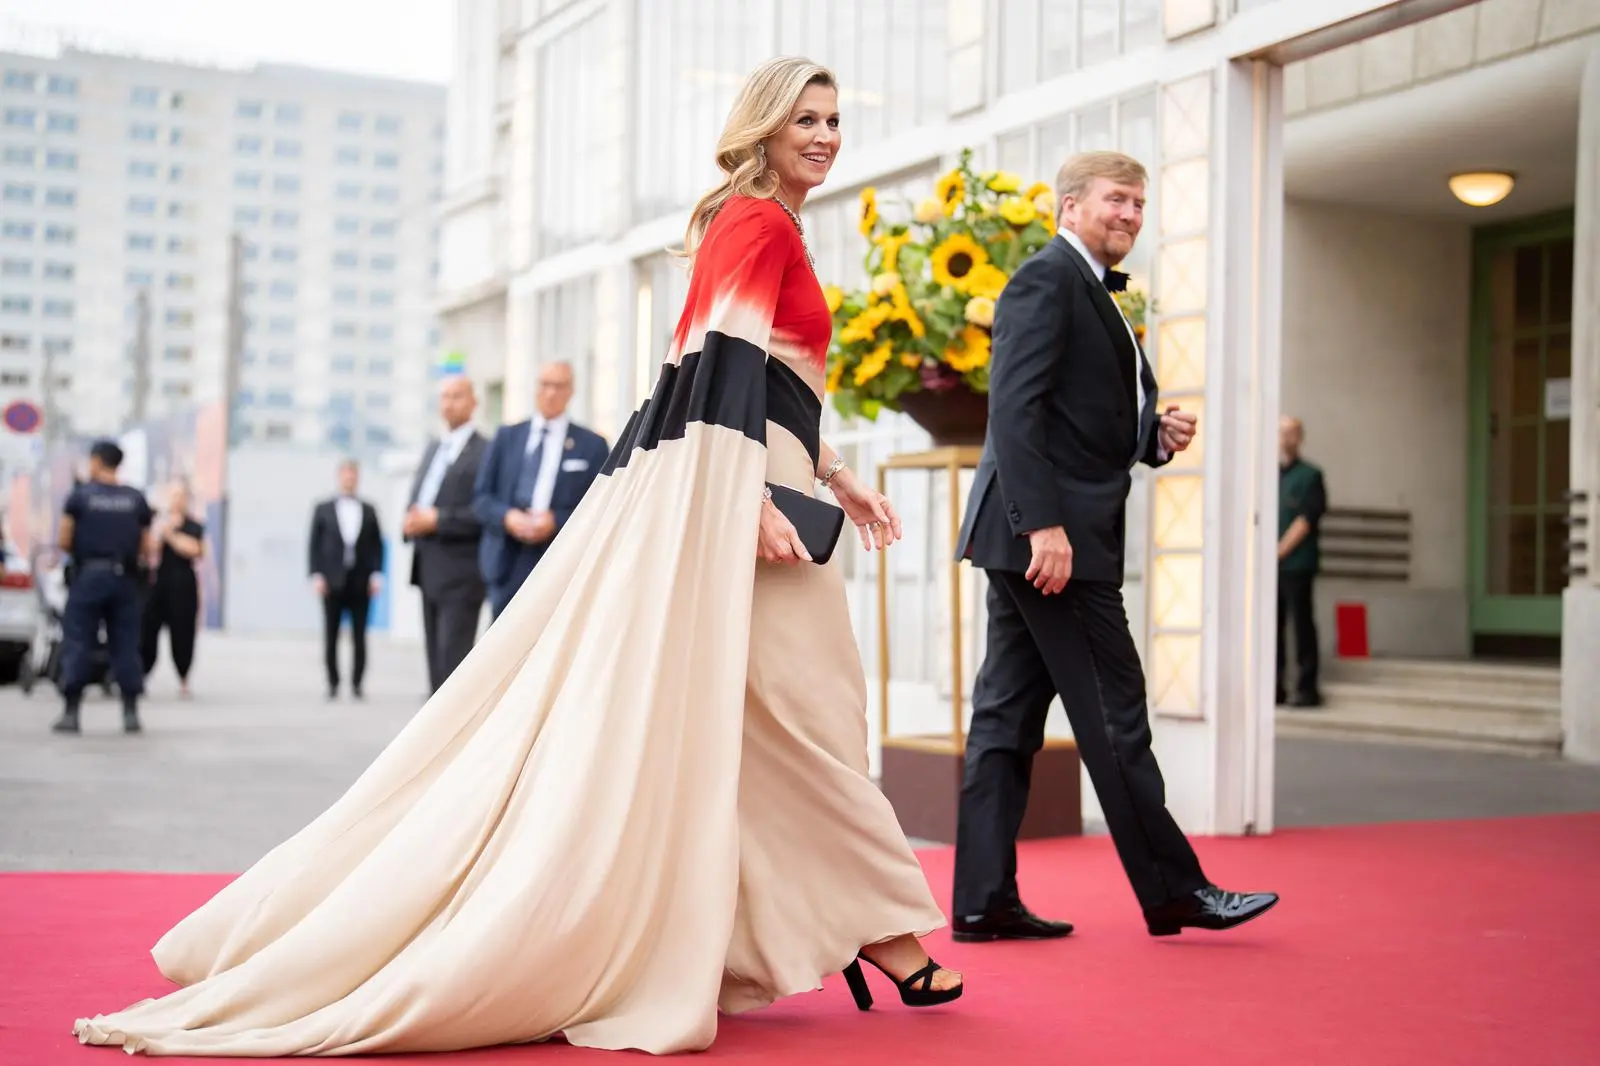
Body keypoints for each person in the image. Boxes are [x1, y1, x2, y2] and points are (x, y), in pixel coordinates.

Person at [73, 57, 960, 1058]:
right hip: (738, 495)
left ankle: (786, 928)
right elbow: (717, 370)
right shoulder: (755, 222)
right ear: (760, 127)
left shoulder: (763, 225)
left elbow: (763, 381)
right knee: (806, 712)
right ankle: (881, 929)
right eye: (806, 118)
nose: (826, 134)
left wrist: (834, 474)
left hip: (754, 480)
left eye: (834, 119)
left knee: (768, 718)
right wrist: (752, 492)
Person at [950, 150, 1279, 942]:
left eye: (1139, 204)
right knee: (1115, 713)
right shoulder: (1046, 279)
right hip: (1050, 543)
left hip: (1039, 533)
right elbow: (1016, 413)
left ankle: (980, 900)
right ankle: (1173, 890)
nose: (1131, 215)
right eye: (1116, 201)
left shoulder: (1096, 289)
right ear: (1070, 207)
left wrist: (1149, 436)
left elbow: (1070, 417)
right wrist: (1044, 527)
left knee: (1005, 719)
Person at [472, 361, 608, 619]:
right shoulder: (507, 437)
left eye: (559, 386)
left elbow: (600, 507)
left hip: (558, 560)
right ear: (535, 388)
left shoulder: (591, 445)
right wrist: (508, 517)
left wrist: (555, 520)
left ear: (571, 392)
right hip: (507, 561)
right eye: (545, 385)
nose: (550, 393)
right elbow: (482, 498)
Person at [51, 439, 153, 735]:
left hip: (89, 577)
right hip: (125, 579)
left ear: (96, 461)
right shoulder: (135, 499)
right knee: (126, 645)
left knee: (79, 641)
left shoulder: (80, 497)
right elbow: (146, 546)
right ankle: (130, 713)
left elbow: (64, 540)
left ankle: (71, 713)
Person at [403, 376, 489, 693]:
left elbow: (483, 510)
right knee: (435, 664)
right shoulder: (433, 448)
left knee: (453, 664)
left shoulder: (485, 452)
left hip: (462, 573)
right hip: (427, 569)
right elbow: (420, 495)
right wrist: (409, 519)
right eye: (444, 397)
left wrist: (438, 519)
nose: (449, 403)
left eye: (456, 396)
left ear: (473, 402)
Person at [306, 459, 384, 700]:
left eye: (353, 475)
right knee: (331, 635)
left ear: (357, 478)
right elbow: (314, 544)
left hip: (360, 581)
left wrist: (377, 574)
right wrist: (316, 574)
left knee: (360, 636)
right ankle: (332, 682)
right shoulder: (323, 508)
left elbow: (377, 545)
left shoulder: (369, 509)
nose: (349, 479)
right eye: (345, 475)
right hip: (332, 581)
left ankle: (357, 683)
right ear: (339, 477)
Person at [1277, 414, 1327, 707]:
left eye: (1292, 432)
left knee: (1302, 626)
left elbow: (1307, 518)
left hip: (1298, 565)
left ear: (1300, 437)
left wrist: (1279, 550)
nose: (1286, 438)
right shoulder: (1269, 476)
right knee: (1272, 628)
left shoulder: (1311, 476)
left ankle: (1307, 689)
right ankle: (1275, 687)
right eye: (1282, 432)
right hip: (1272, 567)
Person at [140, 480, 205, 698]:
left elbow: (195, 549)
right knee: (148, 630)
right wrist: (160, 531)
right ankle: (143, 674)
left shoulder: (194, 526)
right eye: (173, 495)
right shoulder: (157, 522)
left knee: (183, 633)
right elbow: (149, 548)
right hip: (159, 582)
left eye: (181, 495)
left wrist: (171, 535)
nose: (177, 499)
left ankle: (184, 678)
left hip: (183, 584)